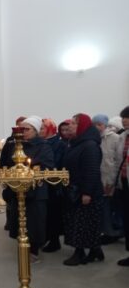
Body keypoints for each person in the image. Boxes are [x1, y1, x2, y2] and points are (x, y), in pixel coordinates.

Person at [2, 116, 54, 263]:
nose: (23, 132)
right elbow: (8, 163)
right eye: (21, 129)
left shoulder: (44, 146)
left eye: (26, 129)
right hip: (17, 190)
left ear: (35, 131)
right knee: (19, 221)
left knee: (34, 222)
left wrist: (27, 167)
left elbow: (47, 166)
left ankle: (34, 250)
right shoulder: (16, 145)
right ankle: (23, 246)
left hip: (36, 191)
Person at [62, 113, 104, 266]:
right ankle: (95, 250)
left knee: (81, 224)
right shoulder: (76, 142)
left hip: (86, 192)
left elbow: (91, 171)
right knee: (85, 223)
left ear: (83, 126)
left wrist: (87, 192)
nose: (70, 125)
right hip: (76, 190)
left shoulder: (89, 145)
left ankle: (79, 254)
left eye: (74, 123)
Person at [92, 114, 122, 244]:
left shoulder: (115, 138)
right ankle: (106, 231)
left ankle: (111, 233)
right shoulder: (95, 138)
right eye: (94, 124)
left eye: (99, 124)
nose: (97, 127)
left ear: (105, 125)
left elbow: (116, 161)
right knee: (103, 208)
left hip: (110, 179)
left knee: (109, 208)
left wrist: (111, 181)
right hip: (98, 178)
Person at [40, 118, 67, 252]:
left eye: (42, 128)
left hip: (54, 184)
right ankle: (46, 237)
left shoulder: (59, 144)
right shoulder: (42, 143)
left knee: (53, 214)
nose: (40, 131)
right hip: (43, 183)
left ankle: (54, 241)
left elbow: (56, 163)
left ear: (50, 129)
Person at [115, 106, 129, 266]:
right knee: (127, 219)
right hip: (124, 182)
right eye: (123, 117)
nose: (124, 120)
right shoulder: (122, 137)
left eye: (127, 117)